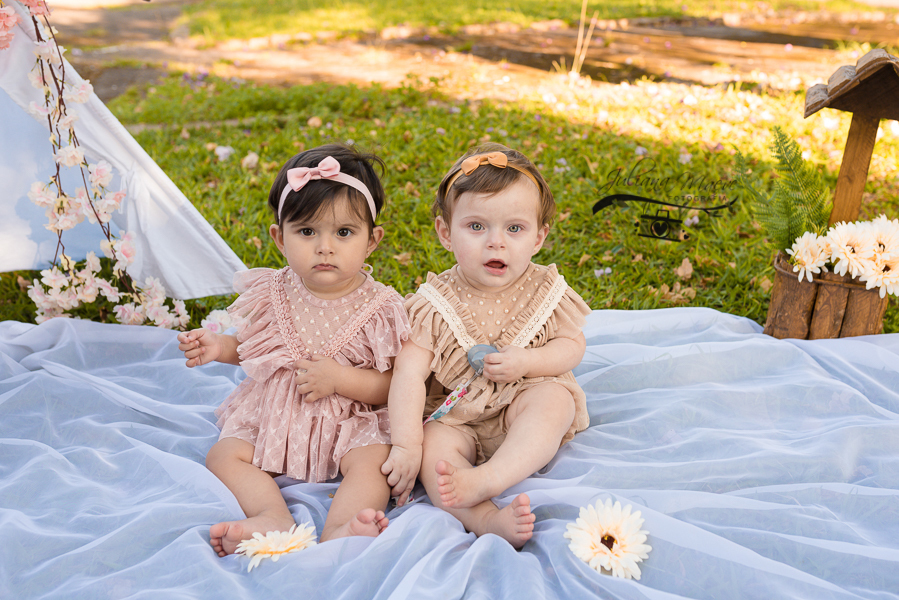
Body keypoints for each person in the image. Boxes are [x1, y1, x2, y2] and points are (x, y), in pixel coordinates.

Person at [178, 144, 409, 557]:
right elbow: (255, 349)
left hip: (348, 419)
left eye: (343, 232)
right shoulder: (273, 291)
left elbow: (394, 384)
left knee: (374, 461)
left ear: (372, 240)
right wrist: (220, 347)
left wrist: (341, 378)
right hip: (275, 415)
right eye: (307, 232)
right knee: (224, 455)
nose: (325, 247)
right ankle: (272, 516)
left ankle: (342, 526)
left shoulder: (382, 307)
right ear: (279, 238)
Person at [381, 143, 592, 548]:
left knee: (554, 402)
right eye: (477, 227)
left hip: (522, 397)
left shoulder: (544, 290)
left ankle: (491, 477)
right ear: (446, 233)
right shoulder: (434, 303)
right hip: (458, 416)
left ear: (539, 237)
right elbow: (408, 374)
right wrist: (407, 445)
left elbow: (572, 346)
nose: (496, 242)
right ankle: (486, 519)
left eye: (514, 229)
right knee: (434, 448)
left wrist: (529, 361)